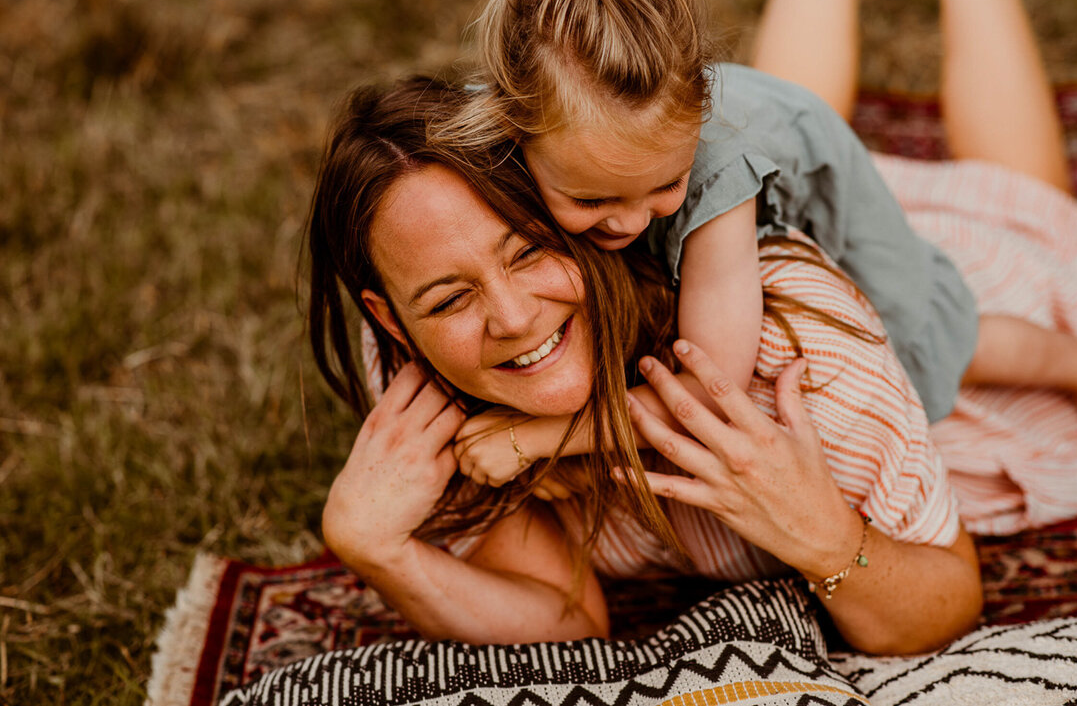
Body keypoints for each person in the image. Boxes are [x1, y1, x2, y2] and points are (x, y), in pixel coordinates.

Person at [441, 0, 1077, 492]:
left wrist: (541, 436)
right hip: (740, 140)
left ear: (700, 106)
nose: (636, 220)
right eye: (594, 199)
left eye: (663, 186)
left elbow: (716, 388)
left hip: (813, 185)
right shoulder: (503, 124)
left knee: (934, 333)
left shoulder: (717, 173)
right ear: (510, 121)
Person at [308, 76, 982, 655]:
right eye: (451, 297)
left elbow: (949, 600)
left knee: (1013, 204)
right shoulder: (427, 369)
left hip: (961, 341)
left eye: (527, 251)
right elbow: (565, 619)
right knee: (765, 99)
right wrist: (377, 549)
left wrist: (828, 538)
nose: (511, 318)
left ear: (575, 216)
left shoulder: (792, 348)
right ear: (392, 316)